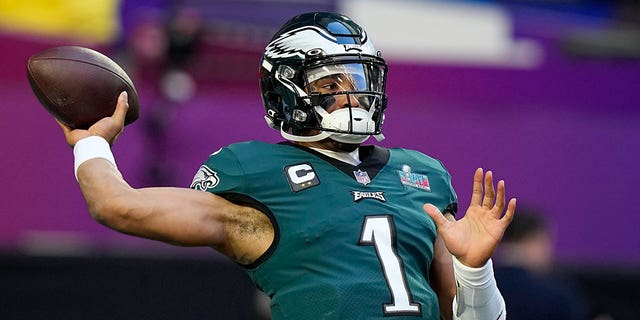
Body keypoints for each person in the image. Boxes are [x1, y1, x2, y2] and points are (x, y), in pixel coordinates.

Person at [58, 12, 516, 319]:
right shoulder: (255, 173)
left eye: (361, 78)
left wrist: (476, 271)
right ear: (288, 90)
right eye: (333, 81)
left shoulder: (423, 177)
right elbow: (118, 206)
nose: (356, 95)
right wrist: (91, 144)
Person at [494, 209, 587, 320]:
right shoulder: (556, 297)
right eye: (546, 243)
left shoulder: (475, 290)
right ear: (533, 241)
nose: (549, 253)